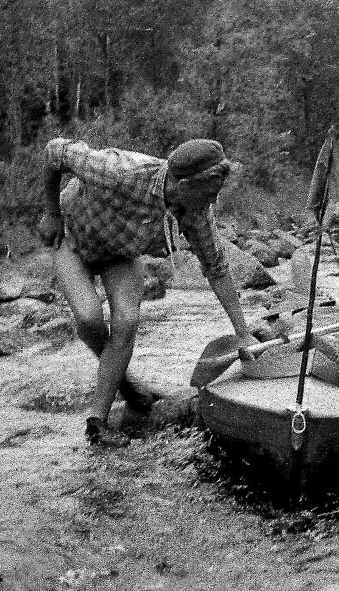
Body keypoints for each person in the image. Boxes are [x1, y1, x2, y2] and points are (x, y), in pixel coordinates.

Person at [38, 137, 264, 448]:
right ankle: (126, 383)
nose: (212, 202)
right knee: (90, 319)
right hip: (72, 238)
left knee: (127, 322)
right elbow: (55, 151)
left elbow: (217, 268)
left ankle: (98, 423)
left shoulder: (195, 213)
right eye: (209, 194)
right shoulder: (121, 171)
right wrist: (50, 212)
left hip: (119, 254)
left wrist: (243, 333)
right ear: (185, 185)